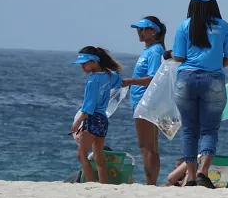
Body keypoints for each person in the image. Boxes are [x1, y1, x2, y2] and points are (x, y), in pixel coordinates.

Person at [173, 0, 228, 188]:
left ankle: (191, 176)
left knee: (189, 129)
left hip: (187, 78)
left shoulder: (185, 26)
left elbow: (178, 56)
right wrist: (216, 66)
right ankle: (203, 172)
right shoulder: (223, 26)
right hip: (214, 79)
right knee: (210, 129)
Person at [121, 16, 166, 185]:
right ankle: (151, 182)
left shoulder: (155, 51)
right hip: (141, 101)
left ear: (153, 31)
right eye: (138, 29)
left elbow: (153, 78)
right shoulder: (148, 50)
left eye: (143, 29)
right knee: (148, 147)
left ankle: (151, 184)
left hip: (146, 102)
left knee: (147, 147)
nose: (139, 32)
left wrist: (130, 81)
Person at [71, 47, 123, 184]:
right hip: (103, 119)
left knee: (81, 154)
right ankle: (103, 183)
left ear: (94, 62)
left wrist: (77, 123)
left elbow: (89, 105)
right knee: (99, 155)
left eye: (84, 63)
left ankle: (90, 183)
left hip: (92, 118)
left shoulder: (92, 80)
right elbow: (119, 79)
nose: (82, 66)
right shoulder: (108, 76)